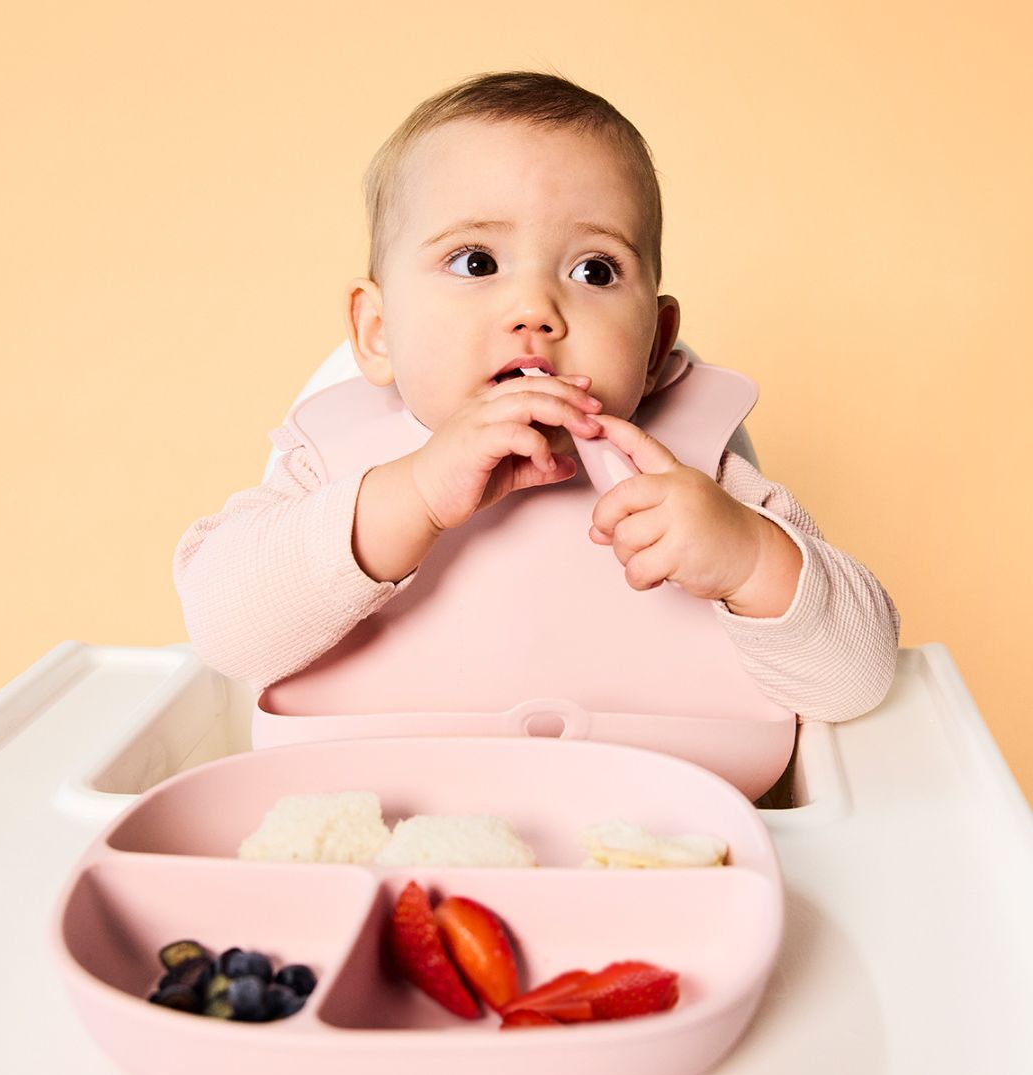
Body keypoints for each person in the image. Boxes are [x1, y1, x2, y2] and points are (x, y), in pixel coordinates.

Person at [174, 70, 899, 726]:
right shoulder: (336, 466)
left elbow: (857, 681)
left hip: (657, 836)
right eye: (476, 261)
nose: (536, 309)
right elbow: (222, 633)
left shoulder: (696, 478)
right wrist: (411, 495)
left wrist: (748, 561)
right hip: (386, 826)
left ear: (654, 348)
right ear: (376, 331)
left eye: (594, 269)